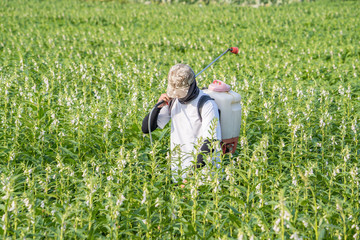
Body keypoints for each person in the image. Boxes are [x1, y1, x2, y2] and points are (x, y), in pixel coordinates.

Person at [142, 64, 221, 182]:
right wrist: (157, 107)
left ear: (191, 85)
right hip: (179, 171)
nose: (178, 95)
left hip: (204, 176)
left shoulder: (206, 104)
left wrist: (191, 176)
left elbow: (211, 142)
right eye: (175, 92)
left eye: (180, 92)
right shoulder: (174, 100)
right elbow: (146, 128)